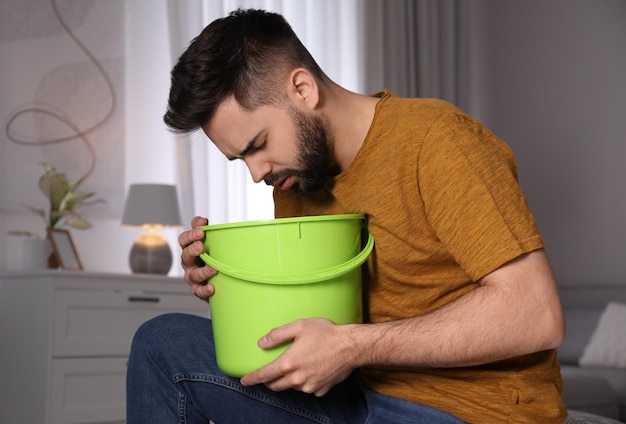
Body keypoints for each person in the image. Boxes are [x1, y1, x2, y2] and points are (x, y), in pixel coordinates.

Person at [127, 8, 567, 423]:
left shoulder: (437, 140)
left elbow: (535, 314)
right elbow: (309, 322)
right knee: (160, 342)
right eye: (238, 160)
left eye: (257, 145)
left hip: (468, 410)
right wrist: (226, 283)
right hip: (357, 396)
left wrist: (351, 346)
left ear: (303, 89)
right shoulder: (298, 179)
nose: (256, 173)